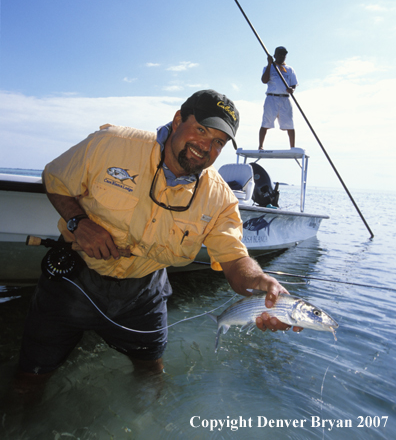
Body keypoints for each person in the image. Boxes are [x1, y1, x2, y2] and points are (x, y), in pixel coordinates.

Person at [16, 89, 300, 394]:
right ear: (178, 120)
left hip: (143, 293)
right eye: (201, 130)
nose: (206, 147)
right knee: (30, 378)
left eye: (218, 142)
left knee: (151, 374)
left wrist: (260, 281)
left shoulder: (220, 199)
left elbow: (234, 261)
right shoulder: (111, 143)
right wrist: (79, 222)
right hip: (73, 279)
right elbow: (55, 178)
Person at [259, 46, 298, 149]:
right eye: (279, 54)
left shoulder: (290, 69)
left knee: (290, 124)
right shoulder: (269, 67)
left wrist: (292, 89)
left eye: (283, 55)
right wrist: (269, 64)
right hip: (271, 98)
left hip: (285, 99)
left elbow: (293, 84)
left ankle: (292, 147)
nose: (281, 56)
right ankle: (261, 146)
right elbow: (264, 80)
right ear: (275, 55)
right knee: (266, 122)